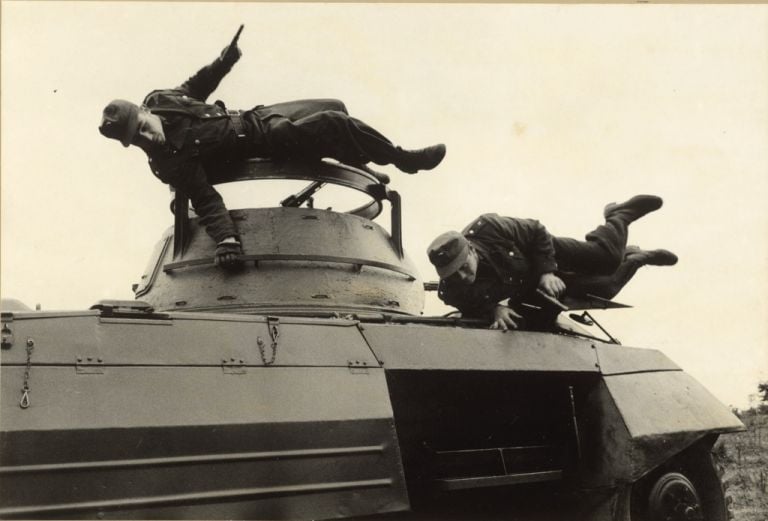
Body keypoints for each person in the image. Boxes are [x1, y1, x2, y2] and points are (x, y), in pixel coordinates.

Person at [99, 30, 446, 270]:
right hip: (263, 141)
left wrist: (226, 59)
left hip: (255, 117)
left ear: (145, 112)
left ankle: (364, 162)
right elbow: (204, 198)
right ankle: (404, 159)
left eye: (143, 128)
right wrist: (227, 241)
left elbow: (196, 86)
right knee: (333, 124)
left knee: (336, 106)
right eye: (137, 140)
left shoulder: (162, 101)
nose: (147, 139)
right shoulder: (168, 162)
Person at [426, 195, 678, 331]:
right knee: (607, 287)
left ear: (470, 249)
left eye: (462, 266)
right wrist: (494, 309)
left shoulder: (489, 228)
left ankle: (618, 216)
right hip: (527, 282)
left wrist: (548, 271)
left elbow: (536, 230)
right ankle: (637, 258)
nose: (460, 276)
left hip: (541, 252)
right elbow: (470, 306)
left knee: (606, 258)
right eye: (451, 273)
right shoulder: (452, 290)